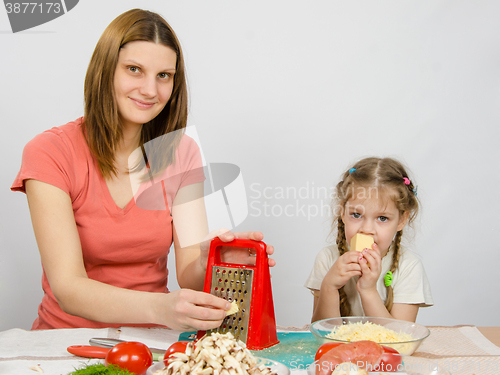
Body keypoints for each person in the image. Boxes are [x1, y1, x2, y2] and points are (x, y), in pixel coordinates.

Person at [11, 9, 274, 331]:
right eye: (134, 70)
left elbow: (189, 272)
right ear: (105, 70)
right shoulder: (49, 152)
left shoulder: (181, 152)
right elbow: (68, 288)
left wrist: (215, 260)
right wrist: (161, 308)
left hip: (151, 341)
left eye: (164, 75)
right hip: (64, 342)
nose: (151, 90)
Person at [305, 157, 433, 322]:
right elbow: (321, 333)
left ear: (401, 220)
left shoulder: (408, 266)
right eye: (356, 215)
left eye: (382, 218)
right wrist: (329, 286)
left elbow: (400, 339)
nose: (366, 229)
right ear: (343, 212)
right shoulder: (328, 259)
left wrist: (368, 290)